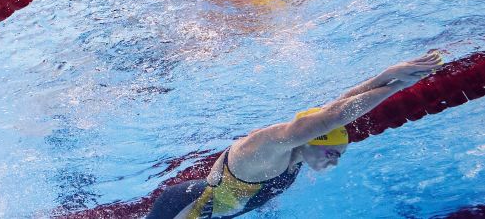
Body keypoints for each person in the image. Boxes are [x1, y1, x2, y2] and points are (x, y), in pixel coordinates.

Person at [146, 50, 444, 218]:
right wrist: (395, 86)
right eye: (332, 153)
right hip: (185, 207)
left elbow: (332, 109)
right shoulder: (261, 150)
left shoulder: (297, 151)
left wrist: (384, 77)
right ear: (312, 139)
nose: (334, 162)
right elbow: (334, 116)